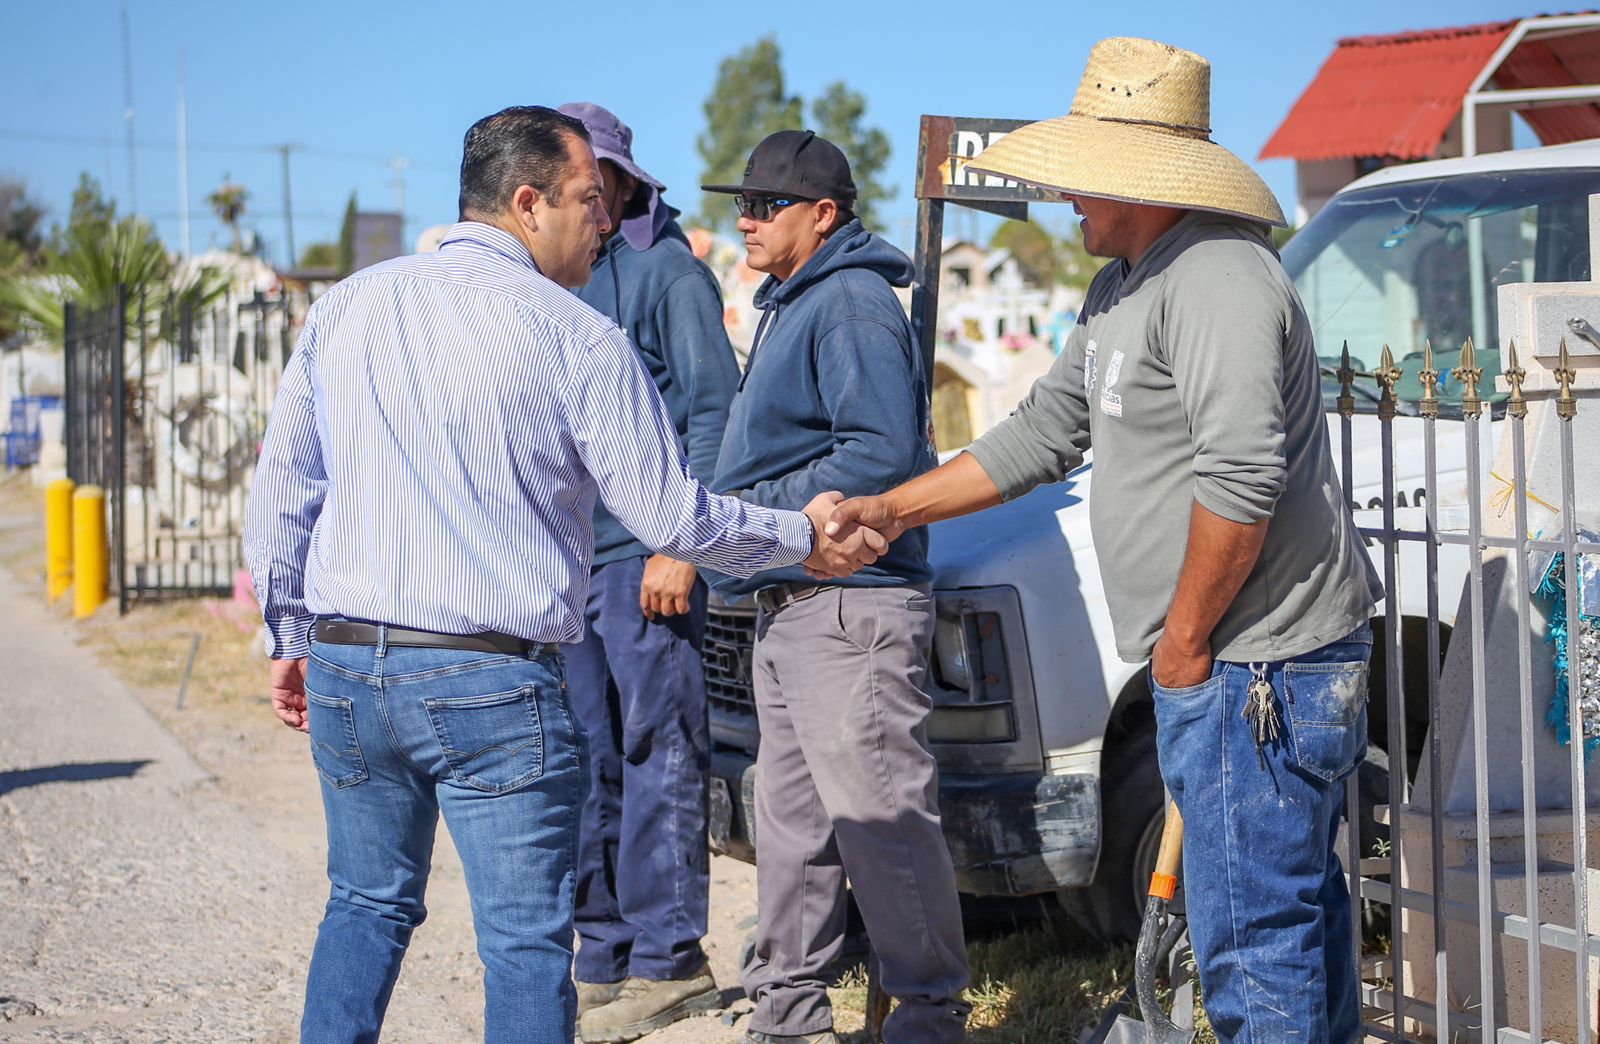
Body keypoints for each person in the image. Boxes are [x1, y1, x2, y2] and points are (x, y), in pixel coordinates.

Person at [243, 105, 886, 1044]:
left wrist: (290, 638)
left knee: (365, 907)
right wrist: (802, 536)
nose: (606, 221)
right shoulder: (575, 335)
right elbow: (673, 515)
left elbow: (285, 490)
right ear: (527, 201)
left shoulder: (346, 305)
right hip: (491, 683)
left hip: (349, 667)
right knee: (526, 946)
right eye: (591, 199)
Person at [826, 37, 1384, 1044]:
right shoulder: (1122, 286)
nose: (1067, 199)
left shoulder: (1216, 277)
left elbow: (1243, 477)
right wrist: (893, 510)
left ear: (1137, 175)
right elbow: (1043, 432)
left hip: (1257, 671)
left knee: (1256, 942)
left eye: (1083, 176)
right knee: (1286, 921)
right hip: (1228, 670)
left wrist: (1181, 643)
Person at [703, 130, 972, 1044]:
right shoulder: (795, 298)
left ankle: (929, 1018)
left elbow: (878, 455)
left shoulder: (850, 299)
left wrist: (750, 517)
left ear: (822, 215)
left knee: (880, 821)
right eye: (740, 202)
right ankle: (788, 1014)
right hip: (797, 599)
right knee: (792, 831)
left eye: (765, 204)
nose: (745, 218)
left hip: (851, 597)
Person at [554, 101, 739, 1044]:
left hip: (647, 559)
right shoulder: (559, 279)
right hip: (570, 565)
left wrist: (681, 544)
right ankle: (605, 953)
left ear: (620, 181)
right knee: (585, 754)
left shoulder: (671, 273)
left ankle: (672, 962)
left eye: (590, 178)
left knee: (657, 748)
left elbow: (713, 411)